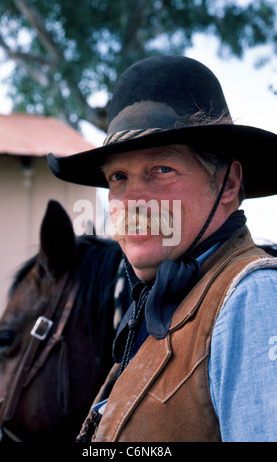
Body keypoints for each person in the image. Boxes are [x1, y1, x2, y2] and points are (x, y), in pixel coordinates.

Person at [48, 55, 277, 442]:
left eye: (162, 170)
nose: (133, 201)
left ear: (229, 184)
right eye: (118, 177)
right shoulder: (163, 306)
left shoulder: (252, 298)